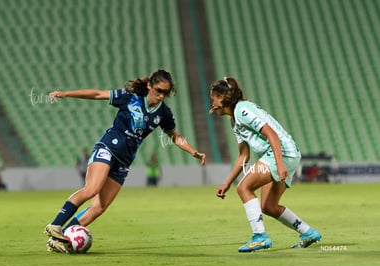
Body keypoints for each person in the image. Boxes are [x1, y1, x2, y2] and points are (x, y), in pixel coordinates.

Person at [44, 69, 206, 253]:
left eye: (165, 93)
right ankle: (55, 225)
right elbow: (98, 94)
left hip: (124, 161)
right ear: (149, 85)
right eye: (158, 90)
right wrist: (65, 94)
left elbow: (174, 135)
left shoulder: (163, 113)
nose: (161, 96)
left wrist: (193, 152)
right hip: (107, 148)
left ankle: (61, 239)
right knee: (92, 189)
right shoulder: (130, 97)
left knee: (99, 207)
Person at [209, 77, 321, 252]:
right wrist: (227, 183)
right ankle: (308, 232)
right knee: (268, 206)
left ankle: (260, 237)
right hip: (284, 155)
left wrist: (280, 164)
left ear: (222, 97)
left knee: (244, 188)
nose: (213, 103)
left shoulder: (242, 110)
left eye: (214, 98)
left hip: (281, 153)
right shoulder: (235, 120)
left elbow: (272, 134)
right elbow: (243, 156)